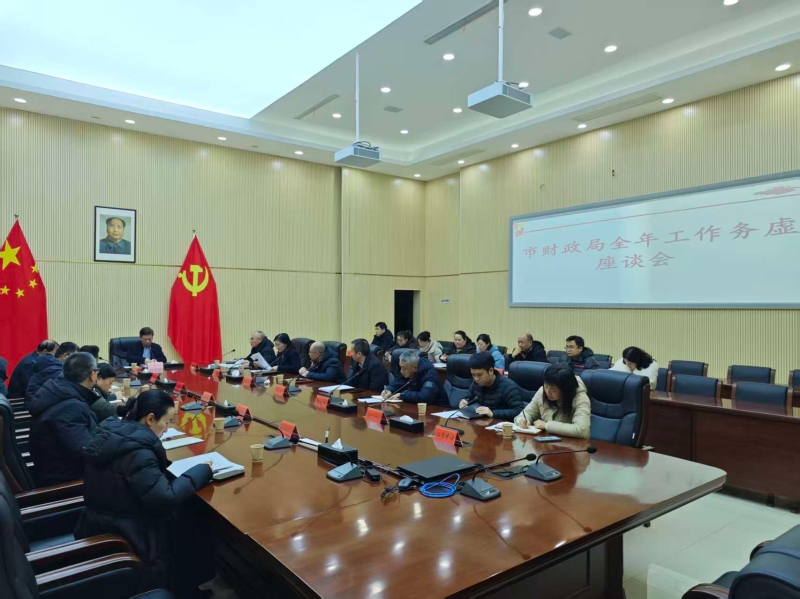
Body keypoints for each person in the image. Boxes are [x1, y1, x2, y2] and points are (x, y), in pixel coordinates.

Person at [74, 389, 214, 597]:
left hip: (99, 522)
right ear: (150, 419)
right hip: (129, 532)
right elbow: (165, 498)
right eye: (166, 422)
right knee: (193, 519)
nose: (167, 428)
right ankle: (185, 590)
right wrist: (202, 470)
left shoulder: (114, 433)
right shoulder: (139, 452)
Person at [28, 352, 99, 486]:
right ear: (92, 375)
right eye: (97, 371)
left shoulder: (58, 391)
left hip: (58, 469)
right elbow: (87, 452)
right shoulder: (70, 407)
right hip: (67, 481)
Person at [515, 364, 591, 439]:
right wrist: (522, 420)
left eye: (553, 390)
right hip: (546, 441)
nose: (548, 392)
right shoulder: (542, 391)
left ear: (565, 390)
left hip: (572, 444)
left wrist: (546, 425)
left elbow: (582, 430)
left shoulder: (580, 399)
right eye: (546, 386)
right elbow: (527, 413)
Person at [458, 352, 524, 420]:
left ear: (491, 371)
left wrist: (493, 413)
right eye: (473, 375)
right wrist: (463, 402)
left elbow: (519, 411)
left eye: (479, 375)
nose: (476, 379)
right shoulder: (476, 383)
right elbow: (467, 397)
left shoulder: (508, 386)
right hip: (479, 422)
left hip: (499, 424)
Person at [382, 351, 447, 406]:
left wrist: (402, 395)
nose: (401, 371)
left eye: (404, 368)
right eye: (400, 367)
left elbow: (425, 397)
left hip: (438, 409)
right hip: (416, 407)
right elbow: (397, 383)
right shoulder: (408, 369)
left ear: (415, 368)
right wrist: (389, 390)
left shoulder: (430, 375)